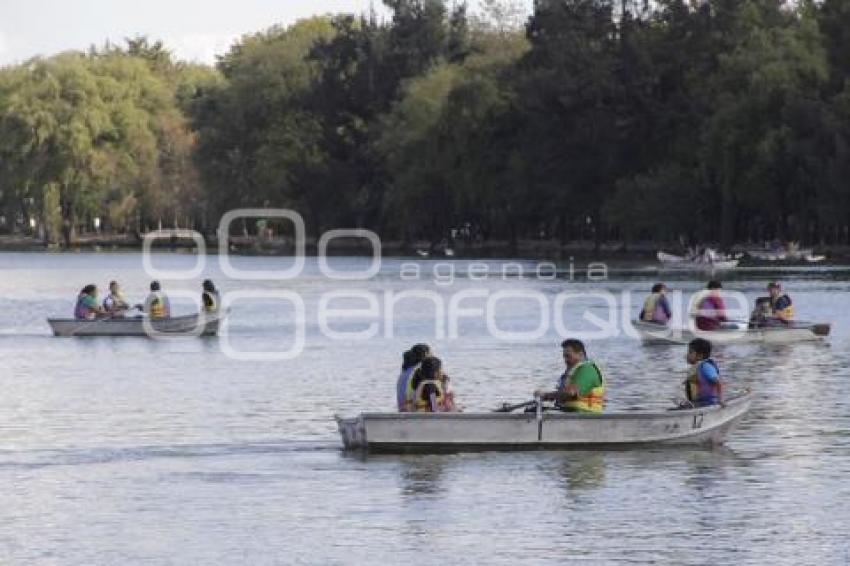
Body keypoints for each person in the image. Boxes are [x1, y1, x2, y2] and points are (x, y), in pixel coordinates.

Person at [535, 339, 605, 413]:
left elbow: (570, 393)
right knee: (532, 411)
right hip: (569, 414)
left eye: (568, 356)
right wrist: (545, 397)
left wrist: (545, 395)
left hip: (585, 417)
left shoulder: (587, 369)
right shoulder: (573, 371)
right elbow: (561, 395)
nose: (565, 360)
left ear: (580, 354)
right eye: (564, 356)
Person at [684, 338, 723, 407]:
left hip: (709, 403)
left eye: (690, 352)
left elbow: (718, 382)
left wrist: (720, 399)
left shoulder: (706, 366)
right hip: (698, 402)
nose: (687, 355)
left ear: (700, 356)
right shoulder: (697, 368)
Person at [397, 344, 431, 412]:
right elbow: (434, 408)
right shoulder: (420, 372)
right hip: (415, 414)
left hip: (403, 411)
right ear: (426, 354)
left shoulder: (404, 373)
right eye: (431, 354)